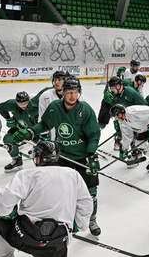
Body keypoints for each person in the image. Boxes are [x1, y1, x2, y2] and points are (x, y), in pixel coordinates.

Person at [9, 77, 103, 235]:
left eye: (75, 92)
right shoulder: (54, 107)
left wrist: (92, 155)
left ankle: (91, 219)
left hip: (82, 157)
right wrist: (30, 131)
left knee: (91, 191)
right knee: (61, 190)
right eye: (69, 92)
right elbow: (44, 124)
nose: (73, 96)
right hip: (62, 157)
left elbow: (94, 134)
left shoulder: (85, 109)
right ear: (63, 93)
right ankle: (64, 217)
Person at [110, 103, 149, 170]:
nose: (116, 119)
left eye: (117, 116)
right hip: (145, 128)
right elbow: (127, 136)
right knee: (140, 146)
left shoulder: (134, 112)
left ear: (121, 112)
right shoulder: (122, 122)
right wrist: (124, 149)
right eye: (115, 117)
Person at [0, 92, 36, 171]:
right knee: (7, 139)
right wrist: (8, 118)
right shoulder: (12, 104)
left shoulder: (35, 107)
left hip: (36, 131)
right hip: (21, 128)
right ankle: (16, 160)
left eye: (25, 103)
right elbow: (0, 107)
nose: (23, 106)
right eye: (20, 104)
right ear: (16, 102)